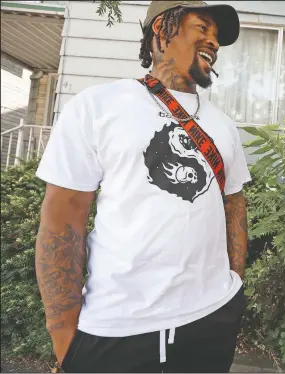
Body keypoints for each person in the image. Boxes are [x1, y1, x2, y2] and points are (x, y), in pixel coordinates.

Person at [34, 1, 251, 372]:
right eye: (203, 28)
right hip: (116, 328)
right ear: (162, 30)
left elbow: (235, 206)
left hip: (212, 320)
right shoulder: (98, 106)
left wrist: (234, 287)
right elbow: (63, 219)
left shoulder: (224, 125)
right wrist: (63, 335)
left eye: (217, 36)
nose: (214, 42)